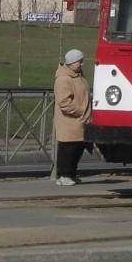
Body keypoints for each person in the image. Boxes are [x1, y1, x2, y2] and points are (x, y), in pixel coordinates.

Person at [54, 49, 91, 186]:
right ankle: (63, 175)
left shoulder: (78, 76)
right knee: (68, 148)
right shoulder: (64, 79)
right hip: (70, 122)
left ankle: (71, 174)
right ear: (71, 63)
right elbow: (64, 102)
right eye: (79, 61)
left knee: (77, 148)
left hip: (79, 121)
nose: (81, 64)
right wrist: (80, 111)